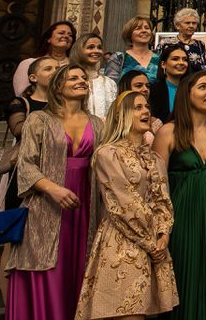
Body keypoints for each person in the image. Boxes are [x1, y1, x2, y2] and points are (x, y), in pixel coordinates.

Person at [5, 65, 101, 319]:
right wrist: (53, 189)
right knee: (49, 270)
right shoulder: (39, 120)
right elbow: (25, 163)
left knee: (81, 268)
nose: (81, 81)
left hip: (85, 206)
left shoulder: (97, 123)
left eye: (83, 78)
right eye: (73, 78)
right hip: (45, 207)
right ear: (58, 86)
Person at [75, 91, 177, 320]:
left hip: (155, 245)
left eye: (146, 107)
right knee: (128, 312)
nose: (146, 111)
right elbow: (122, 203)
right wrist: (152, 243)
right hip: (122, 242)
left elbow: (163, 199)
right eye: (137, 107)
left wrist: (164, 235)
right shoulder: (107, 154)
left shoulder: (154, 158)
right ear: (121, 115)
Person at [152, 70, 206, 320]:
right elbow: (156, 185)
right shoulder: (168, 132)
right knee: (185, 275)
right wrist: (162, 227)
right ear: (186, 93)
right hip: (183, 216)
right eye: (203, 87)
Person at [11, 19, 75, 96]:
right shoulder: (28, 63)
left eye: (70, 35)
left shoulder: (75, 64)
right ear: (49, 39)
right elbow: (21, 94)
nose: (66, 36)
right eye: (61, 33)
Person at [70, 33, 118, 119]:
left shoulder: (109, 82)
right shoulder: (69, 79)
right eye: (90, 47)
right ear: (79, 50)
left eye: (99, 47)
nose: (96, 51)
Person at [103, 15, 161, 84]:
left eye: (147, 28)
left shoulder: (160, 58)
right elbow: (110, 86)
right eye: (138, 28)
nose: (144, 30)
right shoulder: (118, 58)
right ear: (129, 34)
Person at [149, 43, 190, 124]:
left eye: (185, 59)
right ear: (163, 64)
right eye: (175, 59)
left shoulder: (192, 89)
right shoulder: (153, 89)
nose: (181, 63)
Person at [170, 7, 206, 73]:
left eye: (194, 23)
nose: (191, 26)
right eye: (187, 23)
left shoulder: (200, 45)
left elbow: (205, 67)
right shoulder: (166, 44)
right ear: (177, 26)